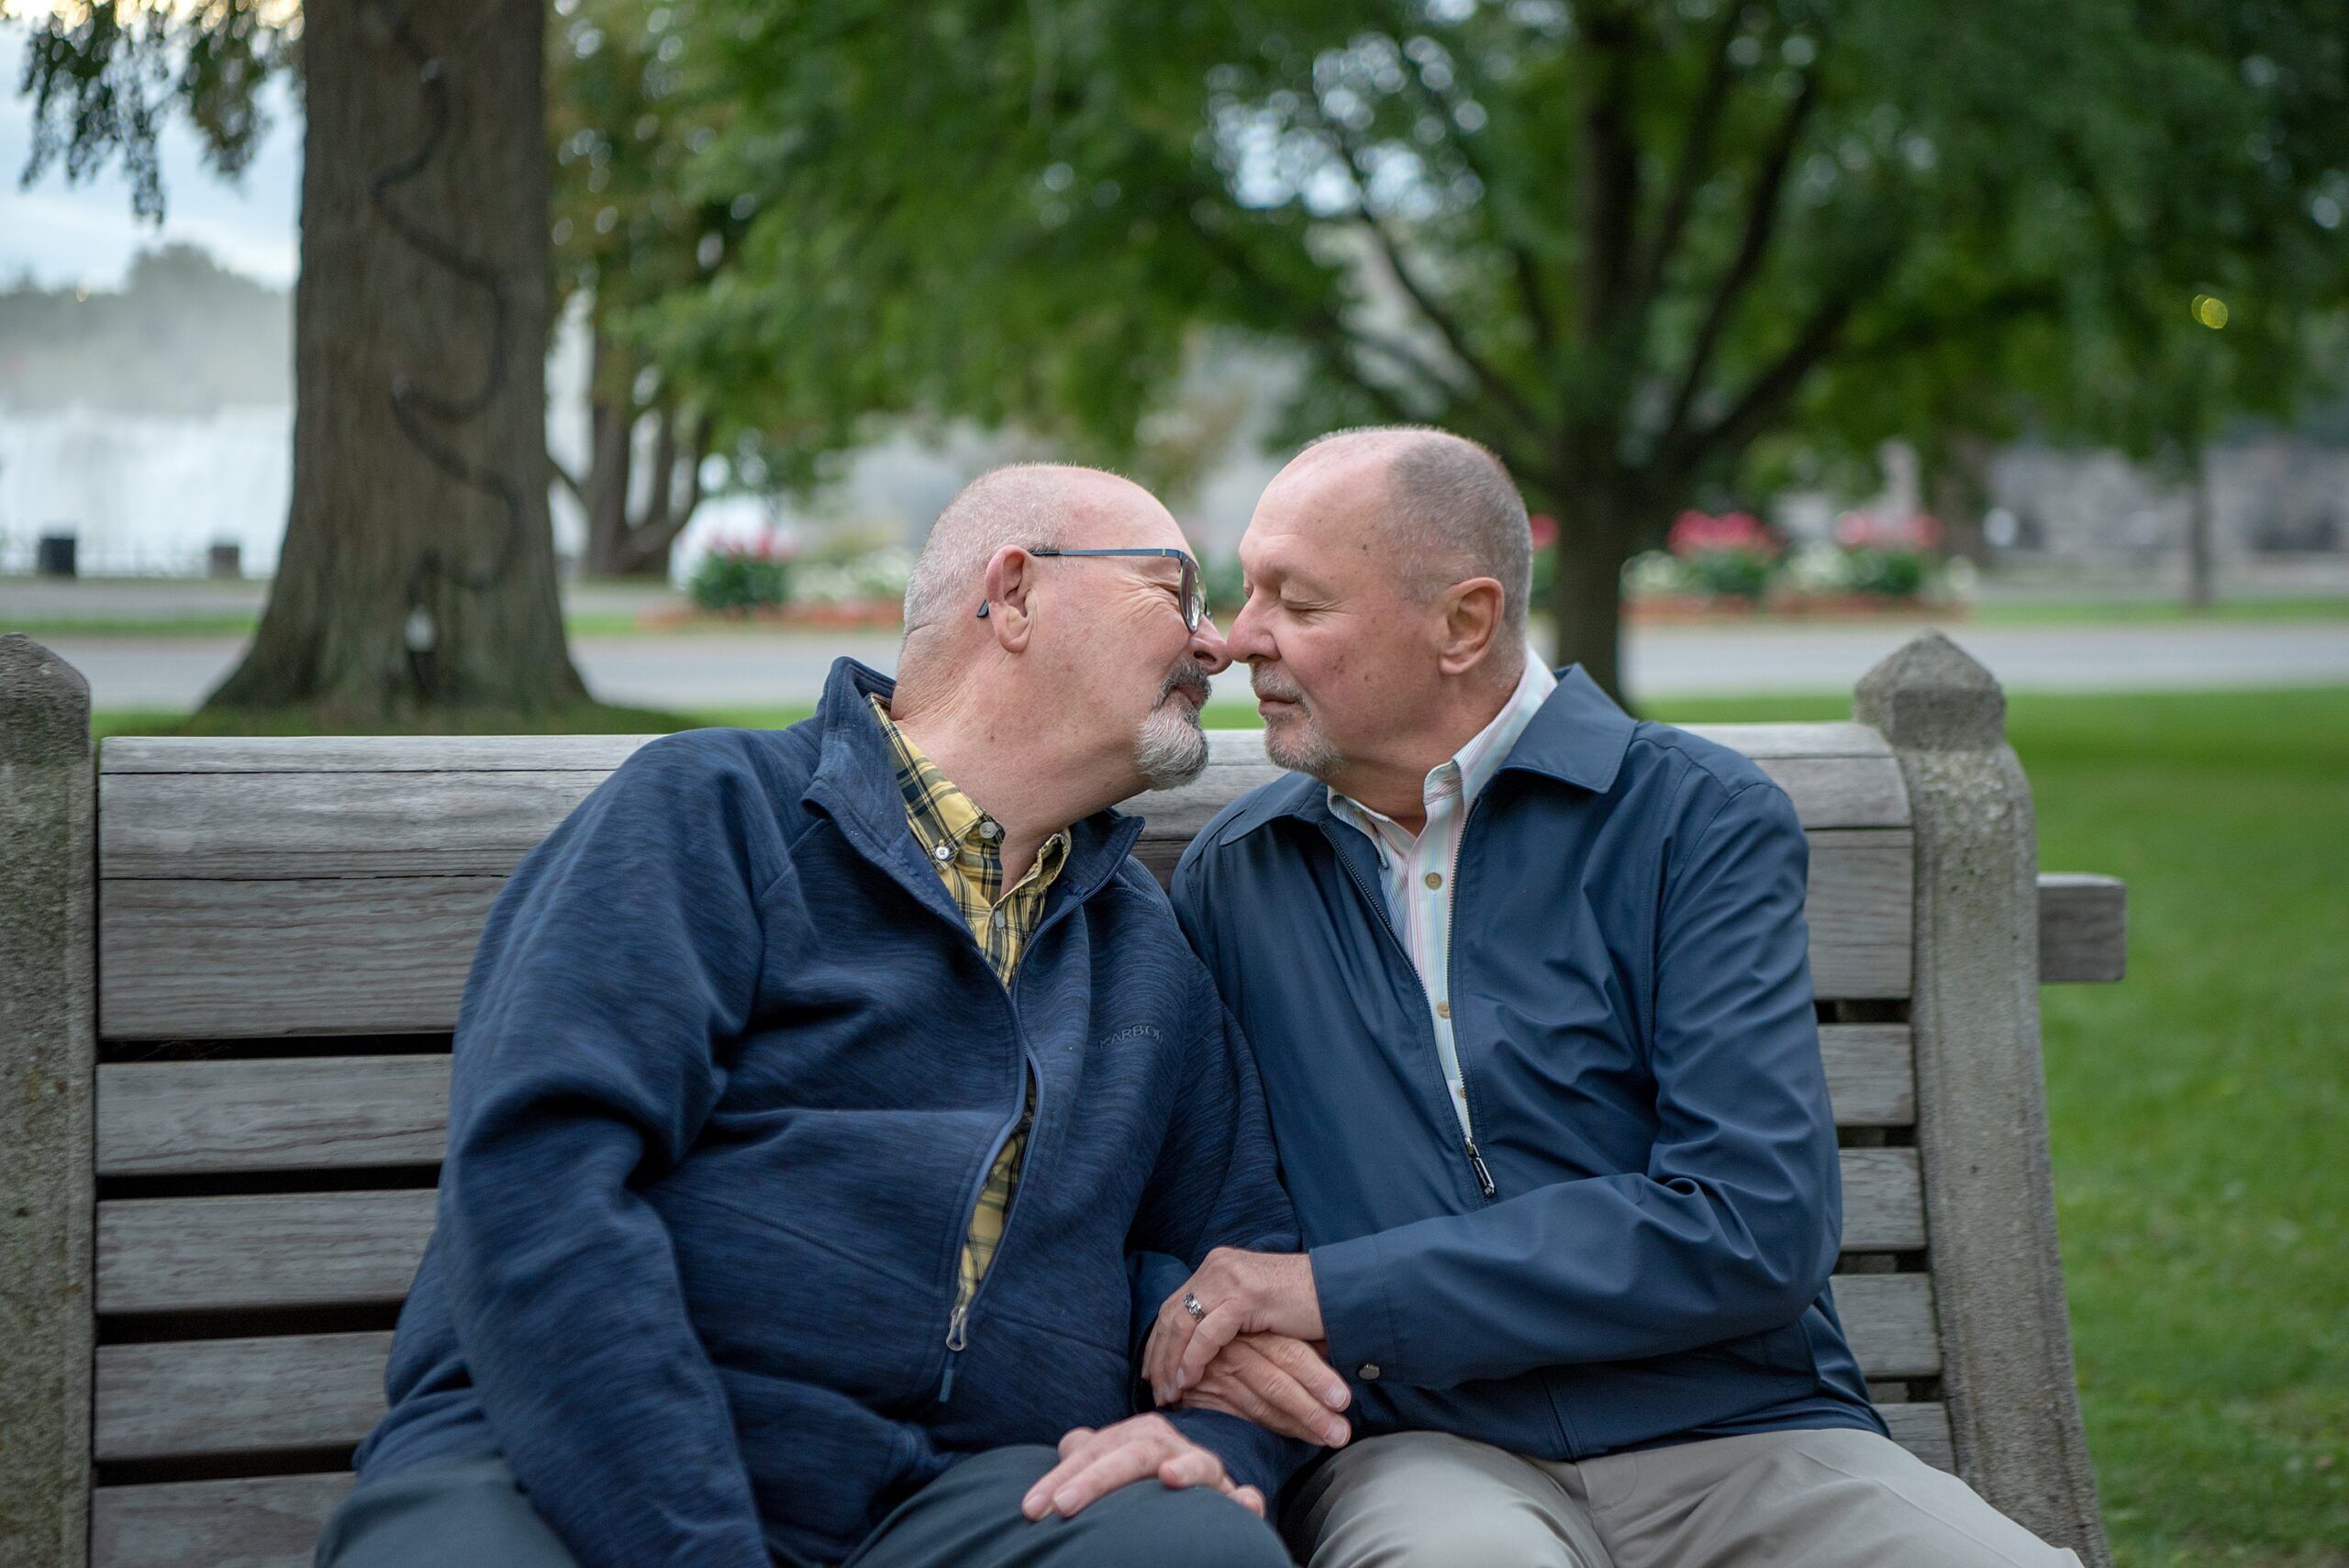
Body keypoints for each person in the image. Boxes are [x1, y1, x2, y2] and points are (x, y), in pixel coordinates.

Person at [317, 465, 1315, 1568]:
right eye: (1174, 591)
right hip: (571, 1467)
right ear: (1015, 593)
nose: (1214, 643)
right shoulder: (713, 813)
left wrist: (1196, 1442)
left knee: (1196, 1548)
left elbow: (1245, 1268)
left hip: (951, 1502)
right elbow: (541, 1188)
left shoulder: (1141, 946)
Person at [1143, 428, 2086, 1567]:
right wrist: (1202, 1314)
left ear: (1463, 623)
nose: (1239, 638)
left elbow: (1751, 1221)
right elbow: (1186, 1194)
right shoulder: (1240, 872)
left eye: (1297, 602)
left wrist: (1335, 1292)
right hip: (1425, 1445)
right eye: (1251, 592)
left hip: (1747, 1436)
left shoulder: (1696, 821)